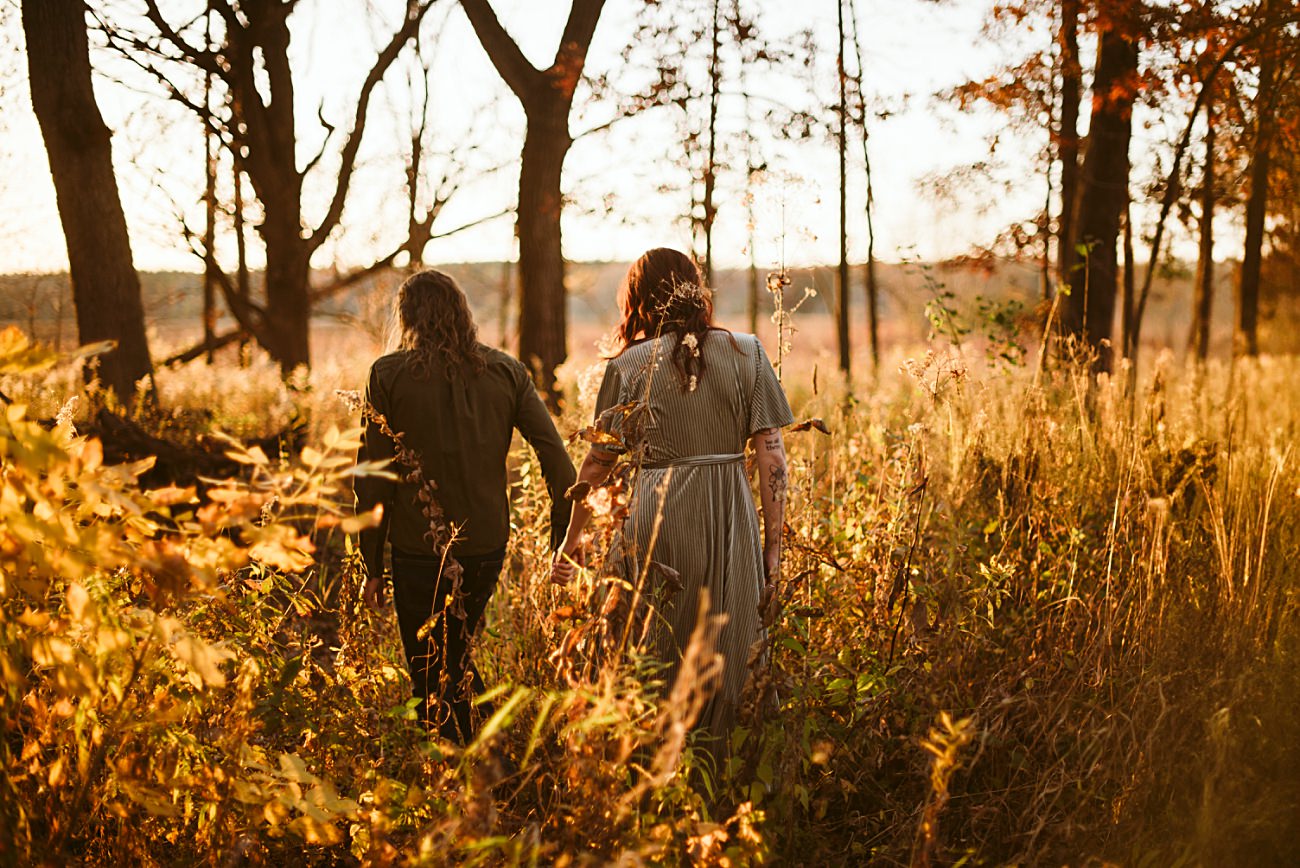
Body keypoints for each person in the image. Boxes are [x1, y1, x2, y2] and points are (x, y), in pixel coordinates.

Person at [550, 247, 793, 744]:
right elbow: (773, 459)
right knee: (735, 637)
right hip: (731, 515)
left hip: (658, 515)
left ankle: (659, 758)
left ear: (638, 300)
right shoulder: (749, 353)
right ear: (696, 290)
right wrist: (772, 543)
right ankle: (730, 762)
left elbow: (598, 462)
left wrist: (571, 538)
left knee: (657, 639)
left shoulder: (631, 365)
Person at [355, 269, 576, 743]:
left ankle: (461, 768)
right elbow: (560, 464)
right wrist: (563, 542)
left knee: (430, 669)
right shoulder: (506, 372)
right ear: (462, 314)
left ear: (407, 317)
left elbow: (371, 480)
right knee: (452, 660)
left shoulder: (388, 375)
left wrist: (371, 564)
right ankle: (484, 757)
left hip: (417, 552)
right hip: (485, 548)